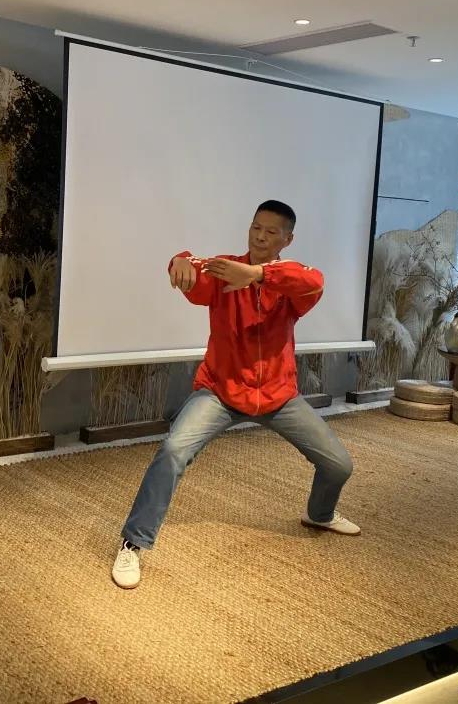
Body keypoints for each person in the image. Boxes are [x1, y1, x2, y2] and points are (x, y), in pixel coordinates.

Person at [112, 200, 358, 590]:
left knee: (339, 465)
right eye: (256, 227)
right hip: (220, 392)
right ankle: (134, 542)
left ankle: (320, 514)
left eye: (271, 232)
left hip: (278, 397)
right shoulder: (226, 269)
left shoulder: (289, 283)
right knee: (173, 450)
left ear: (287, 239)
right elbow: (191, 264)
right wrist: (178, 261)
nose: (260, 236)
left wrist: (258, 275)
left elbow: (313, 281)